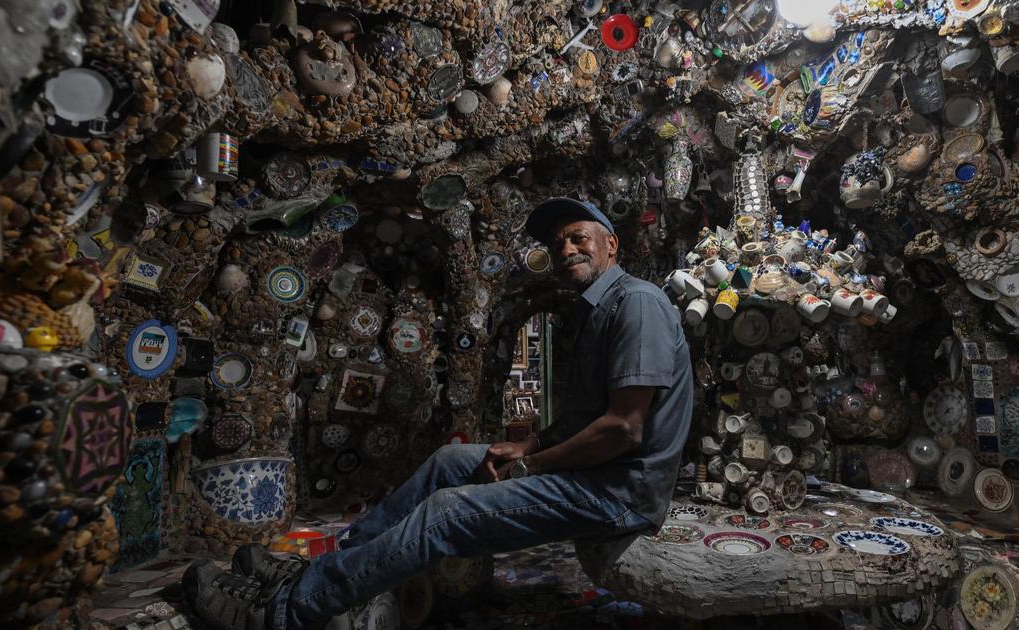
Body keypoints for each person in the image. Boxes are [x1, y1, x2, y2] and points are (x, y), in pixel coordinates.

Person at [183, 197, 694, 630]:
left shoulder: (637, 304)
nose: (565, 249)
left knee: (447, 513)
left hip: (620, 493)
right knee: (452, 463)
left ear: (612, 245)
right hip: (593, 476)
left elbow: (624, 429)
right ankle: (329, 567)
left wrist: (528, 467)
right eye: (557, 243)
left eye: (578, 237)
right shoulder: (594, 310)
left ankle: (286, 612)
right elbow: (585, 415)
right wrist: (528, 445)